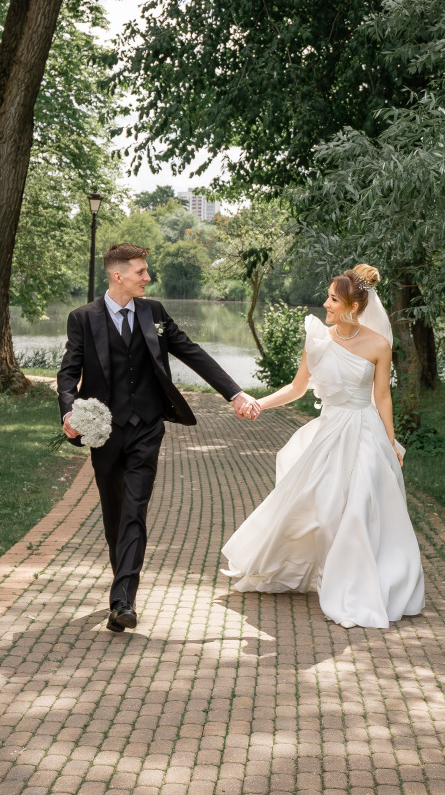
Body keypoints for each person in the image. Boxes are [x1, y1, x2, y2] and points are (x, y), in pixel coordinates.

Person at [58, 243, 262, 633]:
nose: (147, 278)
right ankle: (123, 587)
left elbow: (192, 352)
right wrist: (69, 411)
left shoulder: (154, 313)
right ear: (118, 275)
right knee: (115, 513)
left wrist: (234, 393)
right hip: (103, 431)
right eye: (141, 272)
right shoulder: (83, 318)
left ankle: (123, 601)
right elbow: (69, 372)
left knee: (136, 508)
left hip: (147, 426)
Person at [221, 264, 425, 629]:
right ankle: (323, 571)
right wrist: (259, 404)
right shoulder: (317, 339)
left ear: (353, 306)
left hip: (365, 433)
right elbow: (298, 388)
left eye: (333, 299)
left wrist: (391, 442)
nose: (326, 304)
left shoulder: (379, 345)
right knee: (320, 507)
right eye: (329, 297)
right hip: (329, 433)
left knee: (362, 505)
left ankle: (359, 585)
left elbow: (382, 398)